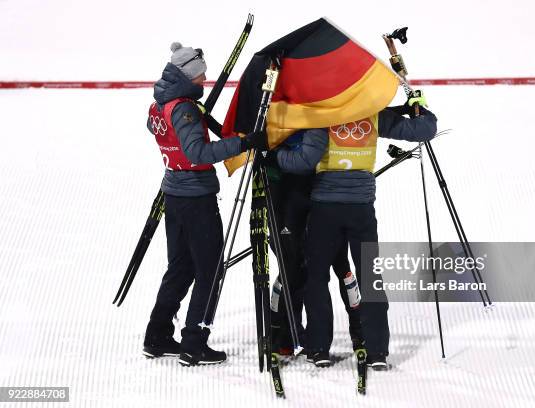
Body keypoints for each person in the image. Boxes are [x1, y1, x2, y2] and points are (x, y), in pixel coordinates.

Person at [274, 93, 437, 370]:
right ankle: (377, 352)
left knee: (316, 277)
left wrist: (274, 154)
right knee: (370, 276)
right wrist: (419, 109)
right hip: (361, 208)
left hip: (325, 208)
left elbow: (303, 161)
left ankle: (318, 348)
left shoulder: (323, 115)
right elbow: (425, 130)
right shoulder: (373, 113)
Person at [142, 42, 267, 366]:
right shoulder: (182, 107)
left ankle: (156, 337)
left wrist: (205, 122)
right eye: (201, 76)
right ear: (189, 76)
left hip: (174, 192)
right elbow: (197, 153)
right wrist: (242, 143)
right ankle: (194, 343)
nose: (205, 80)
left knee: (181, 267)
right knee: (210, 270)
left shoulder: (161, 105)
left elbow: (168, 133)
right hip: (196, 196)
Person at [266, 141, 363, 365]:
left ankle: (360, 333)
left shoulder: (321, 108)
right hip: (285, 193)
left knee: (341, 265)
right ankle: (282, 335)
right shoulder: (272, 107)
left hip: (324, 191)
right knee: (291, 269)